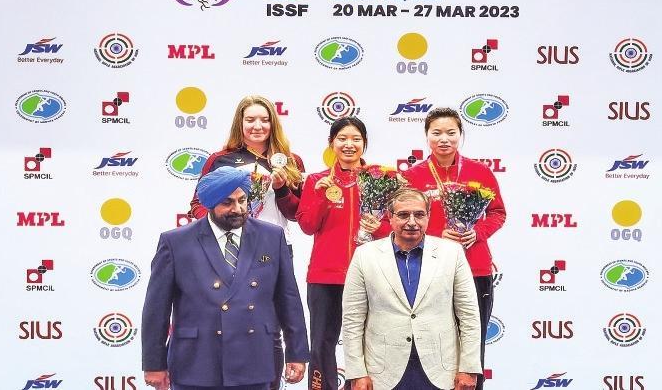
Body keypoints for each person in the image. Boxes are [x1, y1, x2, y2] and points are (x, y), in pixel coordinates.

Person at [143, 167, 310, 390]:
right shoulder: (176, 242)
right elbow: (156, 309)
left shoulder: (272, 236)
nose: (238, 209)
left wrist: (297, 353)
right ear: (210, 204)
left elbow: (288, 298)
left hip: (255, 360)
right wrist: (154, 364)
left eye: (242, 200)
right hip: (196, 363)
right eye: (227, 202)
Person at [188, 95, 304, 389]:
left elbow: (296, 214)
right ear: (239, 123)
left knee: (270, 327)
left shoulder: (290, 161)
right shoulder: (220, 159)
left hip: (273, 251)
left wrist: (281, 189)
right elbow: (198, 204)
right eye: (250, 119)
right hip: (228, 250)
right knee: (223, 321)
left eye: (264, 120)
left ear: (273, 123)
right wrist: (218, 227)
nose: (257, 126)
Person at [400, 107, 506, 390]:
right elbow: (400, 220)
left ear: (460, 134)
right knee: (432, 344)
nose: (444, 139)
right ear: (426, 136)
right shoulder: (412, 176)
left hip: (475, 267)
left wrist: (477, 232)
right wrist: (436, 235)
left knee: (473, 343)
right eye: (436, 133)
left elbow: (498, 213)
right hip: (429, 270)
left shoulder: (480, 172)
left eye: (451, 132)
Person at [342, 188, 481, 390]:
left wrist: (469, 367)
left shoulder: (452, 253)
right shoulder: (365, 255)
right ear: (390, 217)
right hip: (382, 374)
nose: (412, 222)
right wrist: (356, 372)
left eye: (419, 214)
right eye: (403, 215)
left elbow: (469, 315)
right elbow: (352, 319)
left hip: (441, 373)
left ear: (428, 216)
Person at [295, 117, 386, 390]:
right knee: (322, 342)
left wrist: (379, 228)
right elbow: (307, 226)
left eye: (356, 139)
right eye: (342, 138)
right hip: (325, 277)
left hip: (370, 275)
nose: (349, 144)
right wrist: (323, 197)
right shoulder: (316, 181)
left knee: (372, 342)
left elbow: (397, 228)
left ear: (364, 143)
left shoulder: (381, 181)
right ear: (331, 143)